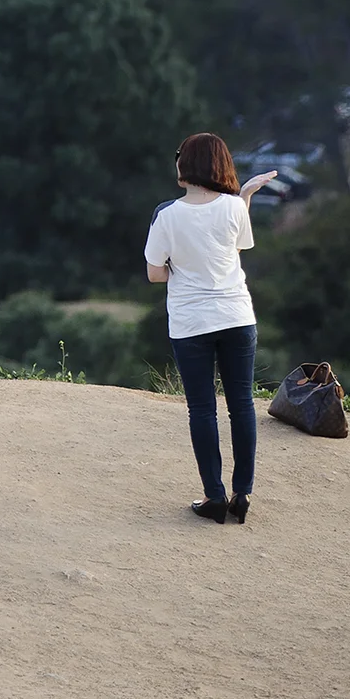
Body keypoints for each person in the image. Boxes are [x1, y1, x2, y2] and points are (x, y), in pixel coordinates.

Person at [145, 131, 283, 525]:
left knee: (203, 408)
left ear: (185, 164)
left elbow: (155, 273)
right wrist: (246, 196)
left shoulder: (166, 215)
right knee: (241, 404)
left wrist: (180, 267)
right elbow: (234, 249)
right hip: (237, 317)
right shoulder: (234, 206)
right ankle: (242, 493)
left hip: (192, 323)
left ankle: (214, 496)